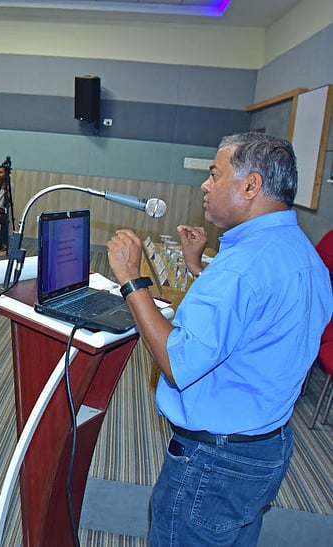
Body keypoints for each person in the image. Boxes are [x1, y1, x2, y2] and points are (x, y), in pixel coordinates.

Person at [105, 132, 332, 546]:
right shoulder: (300, 251)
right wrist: (197, 269)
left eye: (215, 174)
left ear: (251, 185)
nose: (205, 185)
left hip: (215, 462)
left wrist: (131, 279)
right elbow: (257, 318)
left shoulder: (241, 267)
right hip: (267, 445)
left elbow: (176, 363)